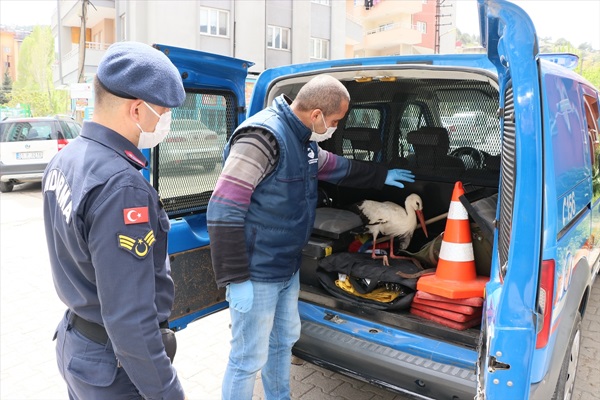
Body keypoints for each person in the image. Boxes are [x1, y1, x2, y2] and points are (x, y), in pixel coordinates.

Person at [207, 74, 415, 400]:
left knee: (282, 341)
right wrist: (234, 277)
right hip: (256, 271)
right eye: (334, 121)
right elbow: (223, 209)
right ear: (316, 114)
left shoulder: (302, 140)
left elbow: (335, 166)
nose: (334, 127)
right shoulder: (262, 137)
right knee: (247, 358)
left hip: (285, 266)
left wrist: (380, 175)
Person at [43, 41, 187, 400]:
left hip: (79, 347)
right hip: (115, 367)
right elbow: (130, 320)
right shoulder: (121, 187)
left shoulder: (67, 158)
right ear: (138, 109)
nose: (165, 121)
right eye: (164, 111)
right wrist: (168, 393)